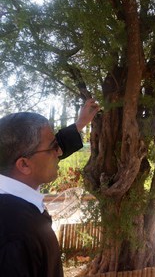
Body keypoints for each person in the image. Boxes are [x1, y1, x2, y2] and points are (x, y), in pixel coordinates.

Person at [0, 98, 99, 277]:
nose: (59, 152)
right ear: (24, 165)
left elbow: (40, 150)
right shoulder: (16, 238)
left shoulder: (14, 180)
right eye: (54, 147)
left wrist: (80, 123)